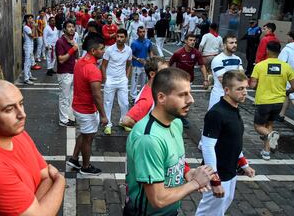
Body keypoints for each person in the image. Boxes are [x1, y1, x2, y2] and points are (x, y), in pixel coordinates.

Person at [0, 79, 65, 215]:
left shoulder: (17, 134)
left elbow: (45, 177)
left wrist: (34, 204)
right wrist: (60, 181)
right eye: (9, 109)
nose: (22, 114)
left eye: (21, 104)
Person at [124, 67, 214, 215]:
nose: (191, 100)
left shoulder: (176, 122)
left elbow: (172, 158)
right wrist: (195, 183)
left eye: (189, 93)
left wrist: (186, 172)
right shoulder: (149, 140)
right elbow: (158, 199)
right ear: (161, 98)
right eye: (182, 95)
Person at [196, 70, 255, 216]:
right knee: (208, 212)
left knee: (220, 209)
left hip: (230, 171)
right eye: (240, 89)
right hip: (218, 174)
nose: (245, 92)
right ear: (227, 90)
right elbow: (207, 147)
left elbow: (233, 141)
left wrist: (243, 164)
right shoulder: (217, 113)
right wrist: (215, 180)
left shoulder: (234, 108)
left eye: (245, 88)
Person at [66, 36, 108, 175]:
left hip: (79, 106)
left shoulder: (80, 62)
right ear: (93, 50)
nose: (104, 51)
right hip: (86, 109)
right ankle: (85, 166)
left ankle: (73, 158)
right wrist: (103, 115)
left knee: (84, 134)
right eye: (101, 49)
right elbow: (97, 95)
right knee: (88, 138)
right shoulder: (92, 69)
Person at [250, 41, 294, 160]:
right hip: (278, 102)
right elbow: (293, 86)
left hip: (263, 101)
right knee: (269, 124)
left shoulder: (260, 65)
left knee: (258, 126)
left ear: (267, 51)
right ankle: (266, 152)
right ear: (279, 51)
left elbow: (252, 85)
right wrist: (287, 92)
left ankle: (271, 135)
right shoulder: (286, 67)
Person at [121, 57, 168, 128]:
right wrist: (146, 130)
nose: (168, 75)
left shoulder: (153, 88)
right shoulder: (147, 99)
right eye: (164, 72)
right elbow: (126, 120)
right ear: (152, 74)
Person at [101, 29, 132, 135]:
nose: (119, 39)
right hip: (110, 80)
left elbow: (129, 65)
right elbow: (103, 65)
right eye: (118, 36)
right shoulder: (109, 50)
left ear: (126, 38)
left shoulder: (128, 50)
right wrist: (105, 79)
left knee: (125, 103)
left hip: (122, 80)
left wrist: (126, 77)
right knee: (108, 103)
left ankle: (123, 122)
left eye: (122, 37)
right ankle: (108, 124)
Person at [208, 34, 243, 110]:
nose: (234, 45)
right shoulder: (218, 59)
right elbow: (224, 81)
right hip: (219, 97)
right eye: (231, 43)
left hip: (232, 98)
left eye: (235, 43)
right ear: (224, 45)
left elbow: (242, 77)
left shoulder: (238, 59)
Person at [55, 20, 78, 127]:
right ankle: (63, 120)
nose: (71, 29)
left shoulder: (72, 41)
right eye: (69, 27)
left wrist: (75, 48)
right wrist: (73, 49)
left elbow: (76, 56)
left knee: (70, 97)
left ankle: (68, 117)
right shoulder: (60, 42)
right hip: (64, 73)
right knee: (64, 97)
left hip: (72, 71)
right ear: (64, 29)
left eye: (73, 26)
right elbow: (61, 59)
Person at [130, 26, 154, 101]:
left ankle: (141, 96)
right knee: (134, 82)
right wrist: (137, 59)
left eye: (143, 32)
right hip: (136, 66)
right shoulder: (134, 43)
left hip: (145, 66)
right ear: (137, 33)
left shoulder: (148, 42)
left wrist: (151, 59)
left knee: (143, 83)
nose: (142, 33)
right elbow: (130, 54)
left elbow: (150, 51)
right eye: (140, 32)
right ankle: (133, 97)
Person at [278, 30, 294, 121]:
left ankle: (281, 114)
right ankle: (281, 114)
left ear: (291, 37)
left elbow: (281, 63)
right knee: (287, 94)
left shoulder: (287, 49)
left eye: (288, 36)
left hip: (289, 75)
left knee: (290, 94)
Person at [22, 14, 38, 85]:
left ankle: (29, 76)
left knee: (30, 62)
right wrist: (34, 27)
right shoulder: (26, 27)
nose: (32, 19)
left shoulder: (29, 27)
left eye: (32, 18)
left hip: (30, 46)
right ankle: (26, 79)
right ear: (27, 20)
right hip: (27, 46)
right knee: (27, 63)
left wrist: (34, 27)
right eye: (30, 18)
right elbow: (33, 36)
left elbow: (35, 36)